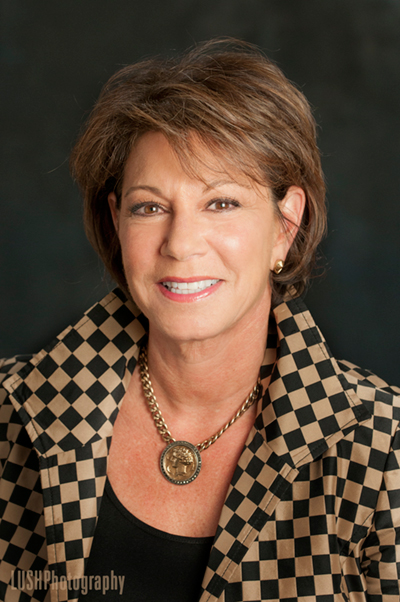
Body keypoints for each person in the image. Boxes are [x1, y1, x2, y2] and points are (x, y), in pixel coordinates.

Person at [0, 38, 399, 602]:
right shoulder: (10, 413)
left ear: (286, 224)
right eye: (149, 207)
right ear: (117, 222)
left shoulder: (385, 452)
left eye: (221, 203)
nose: (181, 244)